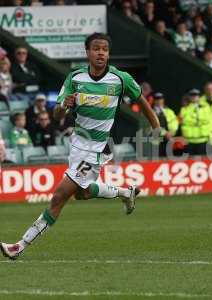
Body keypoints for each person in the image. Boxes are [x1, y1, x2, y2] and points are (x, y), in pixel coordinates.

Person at [0, 33, 160, 260]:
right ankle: (126, 192)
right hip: (77, 146)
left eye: (105, 49)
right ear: (87, 52)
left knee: (59, 196)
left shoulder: (120, 79)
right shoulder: (75, 78)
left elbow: (142, 101)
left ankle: (19, 246)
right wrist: (64, 106)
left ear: (109, 53)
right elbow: (56, 115)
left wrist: (156, 126)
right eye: (96, 48)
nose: (101, 53)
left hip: (96, 149)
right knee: (83, 193)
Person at [180, 88, 210, 155]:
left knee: (202, 162)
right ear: (189, 96)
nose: (194, 97)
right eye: (192, 95)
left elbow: (207, 119)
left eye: (196, 95)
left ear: (199, 96)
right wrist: (198, 121)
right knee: (189, 162)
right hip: (189, 140)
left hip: (203, 139)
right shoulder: (184, 108)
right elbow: (184, 121)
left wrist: (194, 120)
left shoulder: (205, 106)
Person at [152, 92, 178, 157]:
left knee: (169, 158)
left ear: (163, 100)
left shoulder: (169, 111)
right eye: (157, 99)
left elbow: (174, 123)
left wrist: (171, 132)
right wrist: (164, 133)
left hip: (168, 139)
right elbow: (151, 126)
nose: (159, 101)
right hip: (156, 140)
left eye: (160, 99)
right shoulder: (151, 112)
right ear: (154, 100)